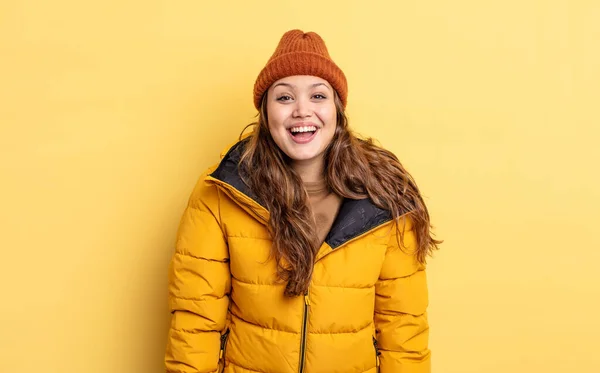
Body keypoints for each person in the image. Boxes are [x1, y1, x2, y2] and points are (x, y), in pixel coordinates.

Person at [165, 29, 440, 373]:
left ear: (338, 110)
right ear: (265, 112)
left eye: (318, 96)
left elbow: (404, 330)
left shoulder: (384, 198)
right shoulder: (220, 194)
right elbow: (195, 321)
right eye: (284, 98)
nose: (301, 111)